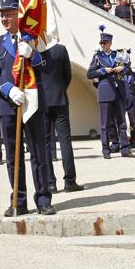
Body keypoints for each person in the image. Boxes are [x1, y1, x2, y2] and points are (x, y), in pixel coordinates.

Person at [0, 0, 54, 216]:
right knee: (13, 156)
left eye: (10, 14)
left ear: (19, 15)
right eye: (2, 15)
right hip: (8, 104)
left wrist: (33, 55)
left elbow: (48, 67)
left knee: (38, 153)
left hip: (32, 102)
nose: (5, 19)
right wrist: (8, 89)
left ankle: (43, 199)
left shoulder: (35, 39)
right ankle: (18, 201)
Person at [40, 42, 83, 193]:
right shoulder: (60, 49)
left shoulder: (33, 49)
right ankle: (70, 181)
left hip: (41, 100)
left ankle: (50, 183)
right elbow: (67, 75)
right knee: (65, 141)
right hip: (59, 98)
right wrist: (60, 89)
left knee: (45, 143)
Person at [87, 26, 132, 159]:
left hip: (119, 91)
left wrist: (122, 69)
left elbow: (128, 69)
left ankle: (125, 149)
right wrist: (102, 71)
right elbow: (89, 74)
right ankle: (106, 149)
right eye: (101, 43)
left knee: (122, 122)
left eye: (105, 43)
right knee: (105, 124)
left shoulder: (118, 54)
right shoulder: (97, 56)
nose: (102, 45)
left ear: (110, 43)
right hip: (105, 91)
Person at [122, 53, 135, 148]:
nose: (127, 65)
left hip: (132, 101)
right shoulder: (119, 74)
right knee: (121, 122)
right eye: (125, 64)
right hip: (122, 101)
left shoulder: (133, 74)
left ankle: (133, 141)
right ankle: (122, 141)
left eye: (128, 63)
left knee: (133, 122)